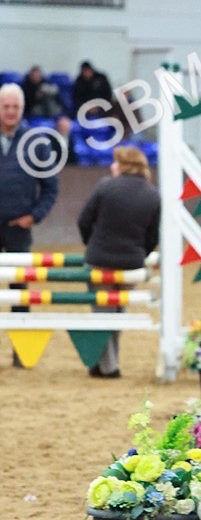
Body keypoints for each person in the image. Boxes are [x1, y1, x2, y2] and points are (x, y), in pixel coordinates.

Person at [77, 145, 160, 378]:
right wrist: (140, 254)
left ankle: (109, 367)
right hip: (131, 263)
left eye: (116, 163)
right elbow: (153, 235)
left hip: (100, 259)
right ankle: (102, 362)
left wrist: (91, 244)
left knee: (102, 313)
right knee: (117, 312)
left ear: (124, 165)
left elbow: (84, 220)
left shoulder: (105, 187)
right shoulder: (153, 194)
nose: (112, 167)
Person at [0, 82, 60, 366]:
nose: (10, 111)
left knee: (20, 291)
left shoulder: (37, 143)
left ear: (22, 109)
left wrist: (33, 217)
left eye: (15, 107)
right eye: (5, 106)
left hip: (18, 229)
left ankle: (21, 353)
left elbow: (51, 188)